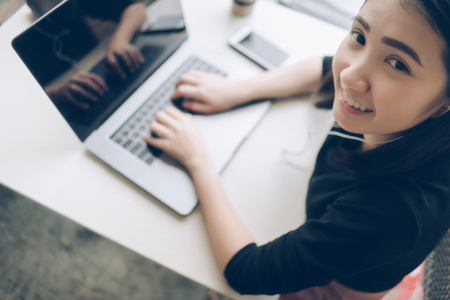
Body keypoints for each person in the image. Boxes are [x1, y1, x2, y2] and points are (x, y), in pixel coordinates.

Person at [143, 0, 450, 299]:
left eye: (397, 64)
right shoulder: (388, 106)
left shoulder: (395, 212)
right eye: (359, 36)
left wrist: (198, 161)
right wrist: (234, 92)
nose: (349, 75)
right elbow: (324, 67)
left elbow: (247, 272)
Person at [45, 0, 146, 109]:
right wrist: (55, 93)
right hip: (63, 105)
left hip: (104, 76)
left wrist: (119, 41)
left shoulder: (69, 4)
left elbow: (137, 8)